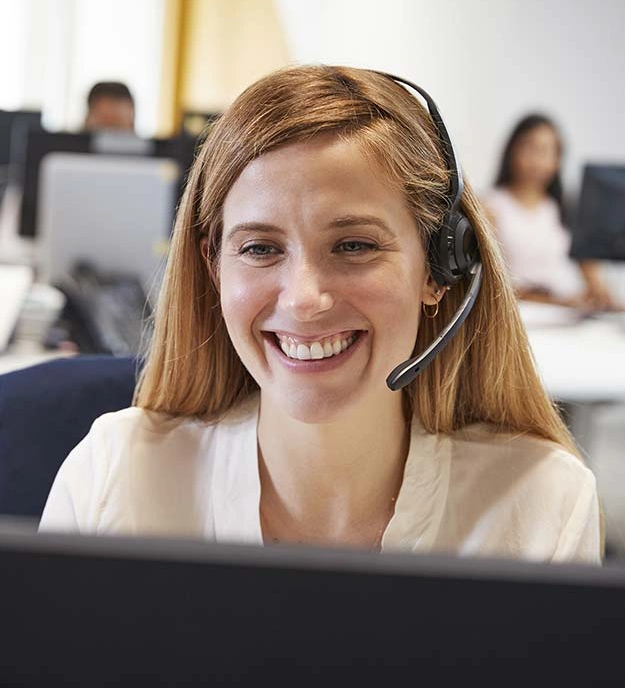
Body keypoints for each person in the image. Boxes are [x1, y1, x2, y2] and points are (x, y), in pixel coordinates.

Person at [39, 66, 600, 563]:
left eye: (354, 245)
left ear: (438, 267)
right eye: (260, 248)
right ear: (214, 268)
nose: (304, 299)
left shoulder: (538, 505)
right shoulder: (114, 479)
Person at [483, 114, 617, 310]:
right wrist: (557, 302)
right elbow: (492, 283)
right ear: (512, 150)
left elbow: (593, 279)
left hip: (569, 311)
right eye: (530, 148)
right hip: (522, 312)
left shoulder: (565, 210)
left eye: (546, 151)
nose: (538, 160)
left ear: (558, 159)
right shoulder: (491, 206)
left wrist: (601, 295)